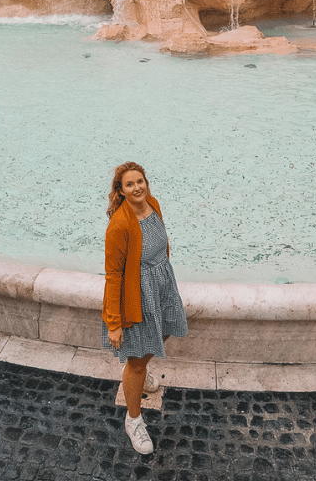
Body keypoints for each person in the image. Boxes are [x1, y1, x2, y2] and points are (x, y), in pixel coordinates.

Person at [102, 162, 187, 454]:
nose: (137, 187)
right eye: (129, 184)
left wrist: (165, 278)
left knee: (163, 334)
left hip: (161, 284)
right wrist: (113, 322)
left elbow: (162, 243)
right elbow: (113, 274)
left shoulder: (153, 203)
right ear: (120, 191)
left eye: (140, 181)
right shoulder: (120, 224)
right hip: (137, 295)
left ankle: (139, 374)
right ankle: (133, 419)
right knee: (136, 361)